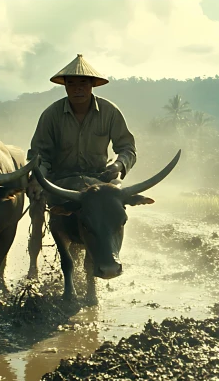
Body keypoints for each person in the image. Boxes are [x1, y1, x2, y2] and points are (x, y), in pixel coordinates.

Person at [24, 53, 137, 278]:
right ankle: (33, 267)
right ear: (64, 86)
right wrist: (38, 178)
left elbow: (127, 149)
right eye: (71, 83)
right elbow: (40, 154)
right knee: (37, 206)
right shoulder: (51, 114)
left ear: (92, 85)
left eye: (82, 83)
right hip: (59, 179)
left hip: (99, 178)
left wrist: (118, 166)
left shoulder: (110, 112)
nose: (77, 89)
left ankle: (108, 254)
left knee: (113, 211)